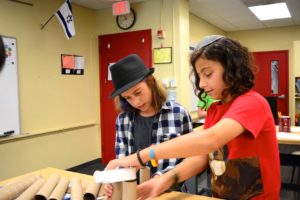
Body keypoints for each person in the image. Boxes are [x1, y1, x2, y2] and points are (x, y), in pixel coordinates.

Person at [105, 36, 281, 200]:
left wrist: (142, 156)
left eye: (208, 74)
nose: (202, 84)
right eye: (199, 76)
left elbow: (210, 140)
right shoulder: (214, 110)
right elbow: (201, 156)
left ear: (231, 68)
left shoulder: (252, 102)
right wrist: (163, 180)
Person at [103, 54, 193, 198]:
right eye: (128, 98)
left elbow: (190, 158)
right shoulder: (123, 120)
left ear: (150, 82)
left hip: (170, 192)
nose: (136, 102)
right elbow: (122, 159)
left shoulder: (178, 113)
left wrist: (161, 179)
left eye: (138, 93)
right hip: (134, 193)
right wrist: (114, 180)